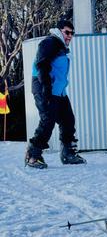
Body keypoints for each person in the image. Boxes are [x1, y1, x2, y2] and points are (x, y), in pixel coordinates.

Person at [25, 19, 86, 169]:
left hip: (58, 91)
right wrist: (46, 88)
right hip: (44, 88)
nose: (70, 36)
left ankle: (68, 153)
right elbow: (41, 65)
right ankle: (32, 155)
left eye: (72, 33)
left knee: (68, 120)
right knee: (48, 121)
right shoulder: (50, 42)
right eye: (67, 32)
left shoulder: (61, 46)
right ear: (59, 31)